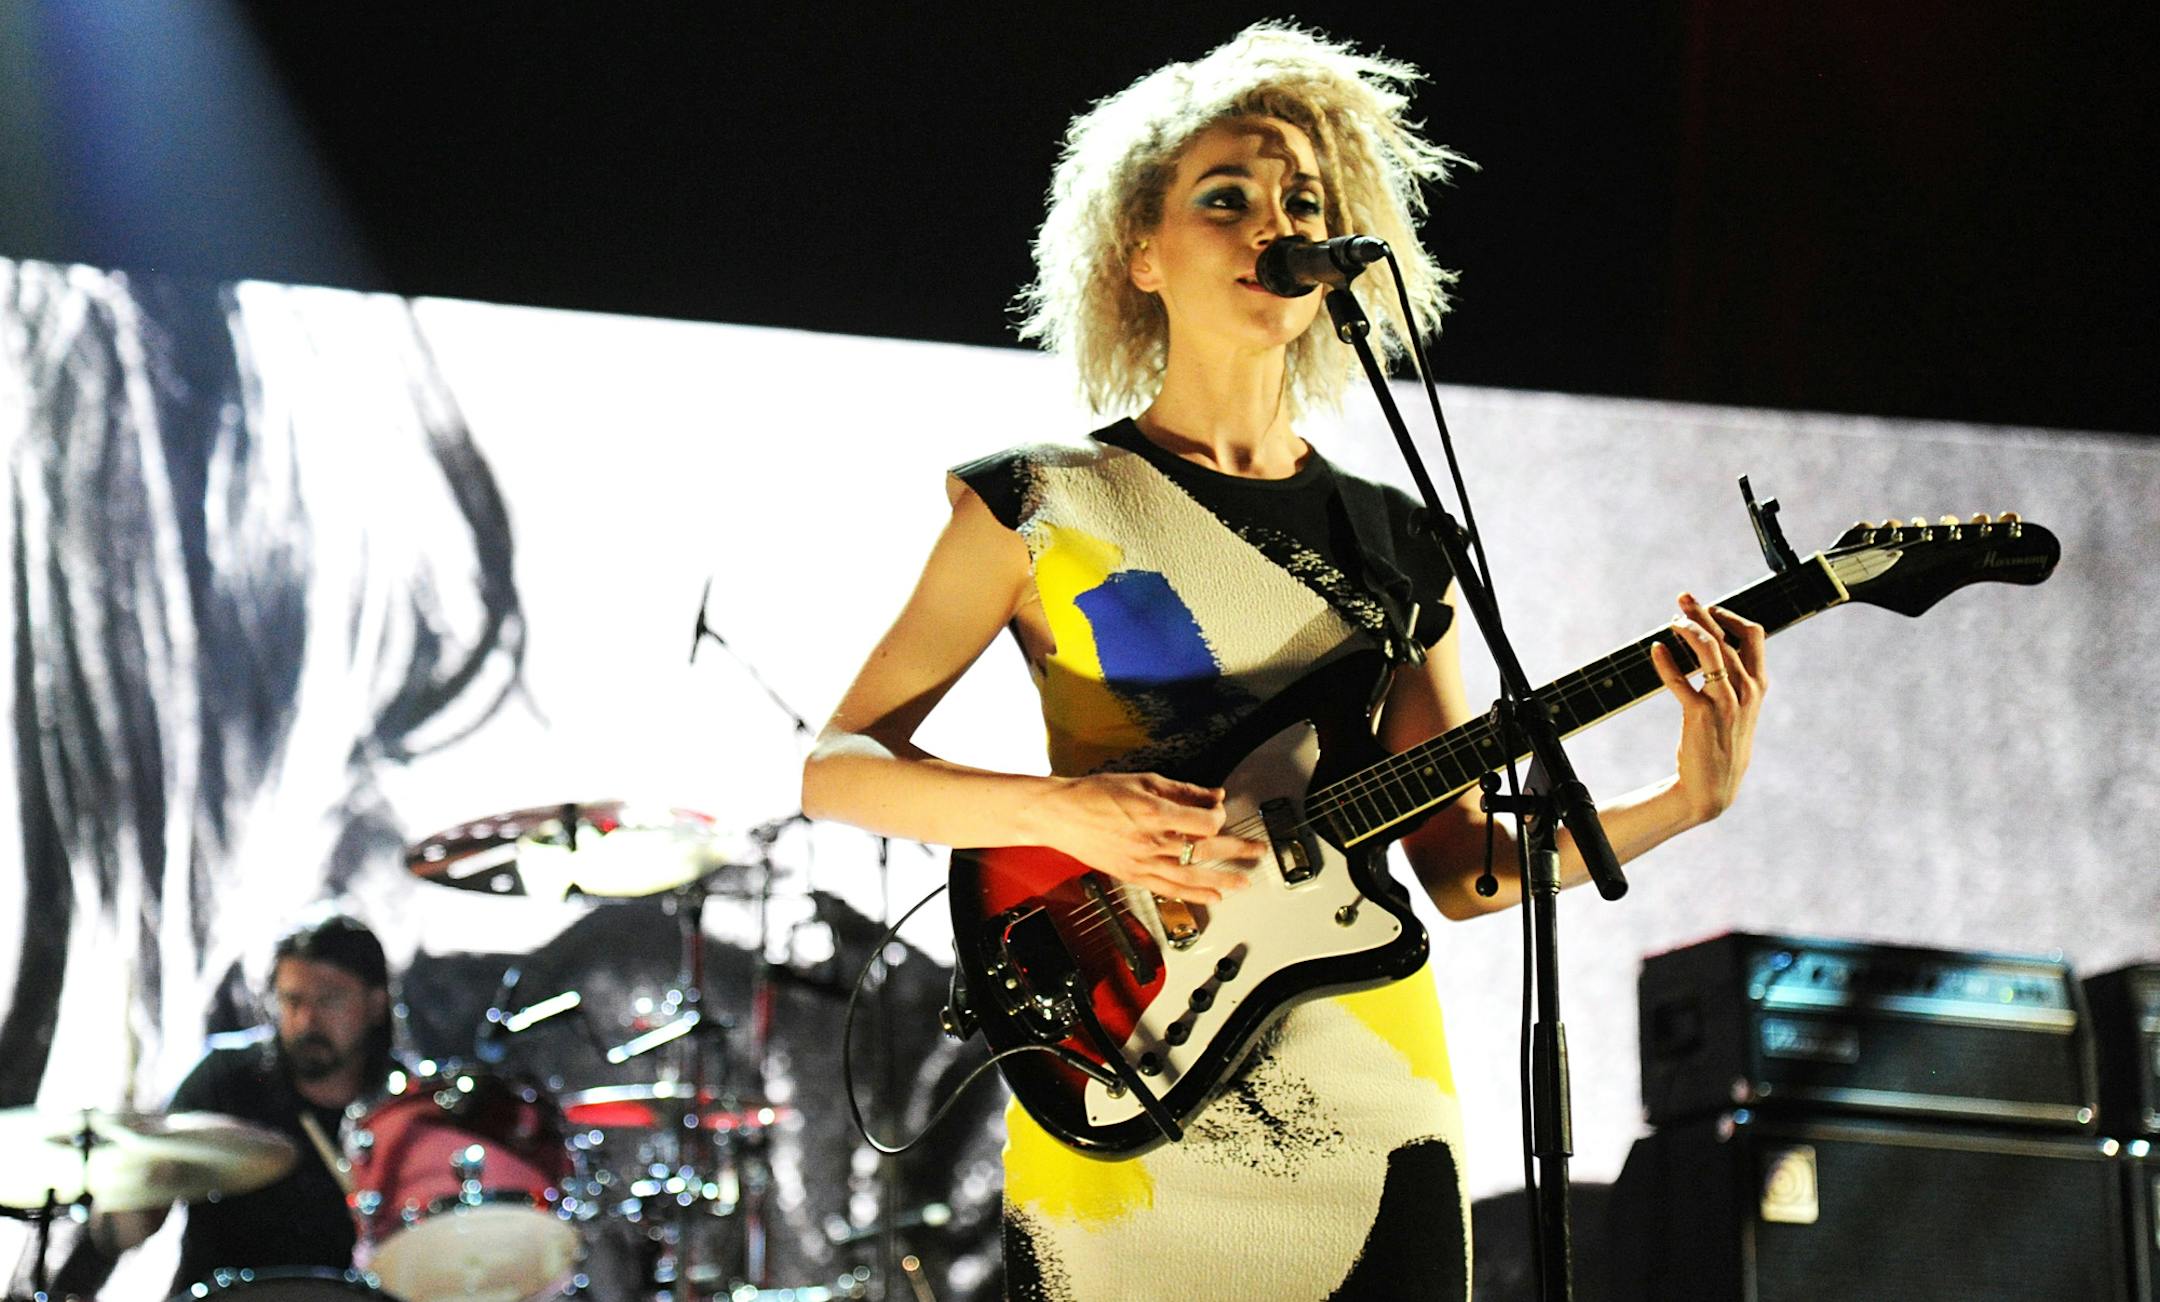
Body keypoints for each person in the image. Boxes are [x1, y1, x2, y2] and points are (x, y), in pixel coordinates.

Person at [800, 22, 1766, 1302]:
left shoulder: (1403, 539)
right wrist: (1066, 814)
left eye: (1304, 203)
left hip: (1369, 1079)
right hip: (1126, 1076)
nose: (1277, 223)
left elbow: (1464, 867)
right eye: (1228, 198)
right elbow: (839, 768)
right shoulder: (1040, 500)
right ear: (1138, 253)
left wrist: (1680, 804)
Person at [56, 914, 399, 1295]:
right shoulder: (224, 1081)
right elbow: (120, 1232)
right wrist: (140, 1190)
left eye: (329, 1000)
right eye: (291, 1000)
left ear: (376, 1004)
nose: (306, 1021)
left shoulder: (406, 1104)